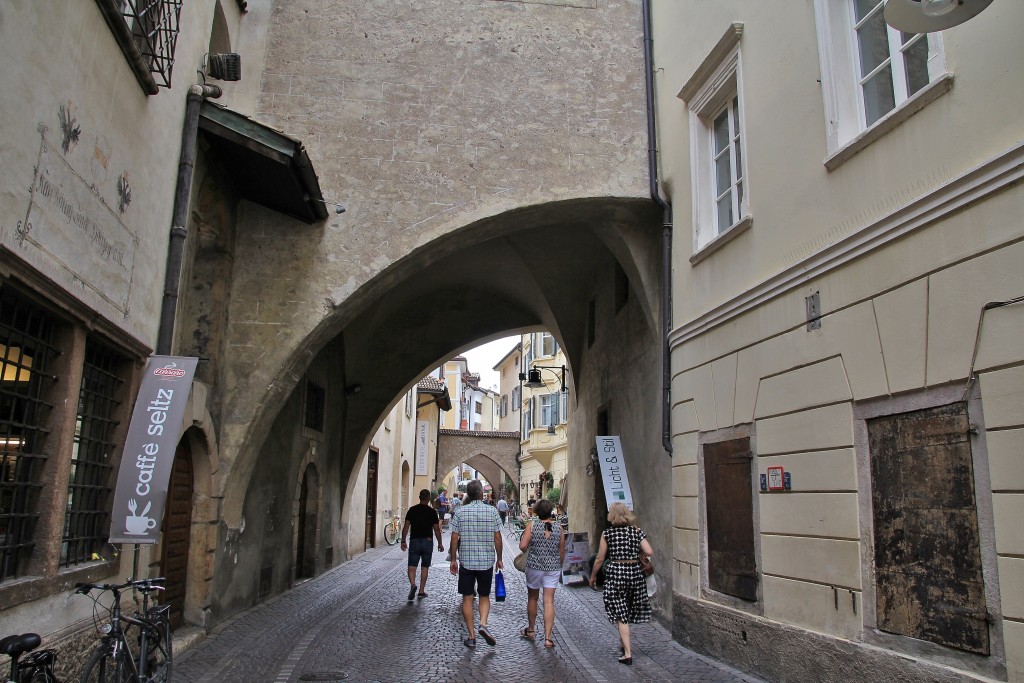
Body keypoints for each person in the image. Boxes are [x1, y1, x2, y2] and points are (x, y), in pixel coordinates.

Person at [588, 502, 654, 666]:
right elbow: (649, 552)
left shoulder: (608, 534)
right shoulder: (636, 531)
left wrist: (593, 576)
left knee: (620, 613)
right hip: (634, 573)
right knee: (627, 610)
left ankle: (627, 653)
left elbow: (600, 558)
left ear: (612, 516)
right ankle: (623, 644)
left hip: (616, 572)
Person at [449, 479, 503, 648]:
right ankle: (483, 624)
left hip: (466, 561)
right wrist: (499, 558)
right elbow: (497, 537)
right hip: (486, 562)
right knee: (484, 596)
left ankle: (472, 636)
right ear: (481, 493)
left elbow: (454, 537)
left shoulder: (460, 512)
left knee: (467, 598)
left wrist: (453, 559)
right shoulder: (492, 512)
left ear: (468, 495)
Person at [518, 498, 565, 648]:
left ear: (537, 511)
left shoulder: (532, 526)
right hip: (553, 567)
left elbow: (523, 546)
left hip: (534, 566)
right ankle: (548, 638)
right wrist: (559, 563)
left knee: (533, 597)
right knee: (549, 601)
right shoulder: (559, 528)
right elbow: (562, 550)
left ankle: (531, 630)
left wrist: (529, 550)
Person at [401, 489, 444, 600]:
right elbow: (437, 530)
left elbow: (406, 527)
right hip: (427, 541)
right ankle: (421, 591)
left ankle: (413, 585)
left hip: (415, 540)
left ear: (419, 497)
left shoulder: (412, 510)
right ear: (429, 498)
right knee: (425, 567)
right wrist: (440, 543)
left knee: (412, 566)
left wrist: (403, 541)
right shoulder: (432, 512)